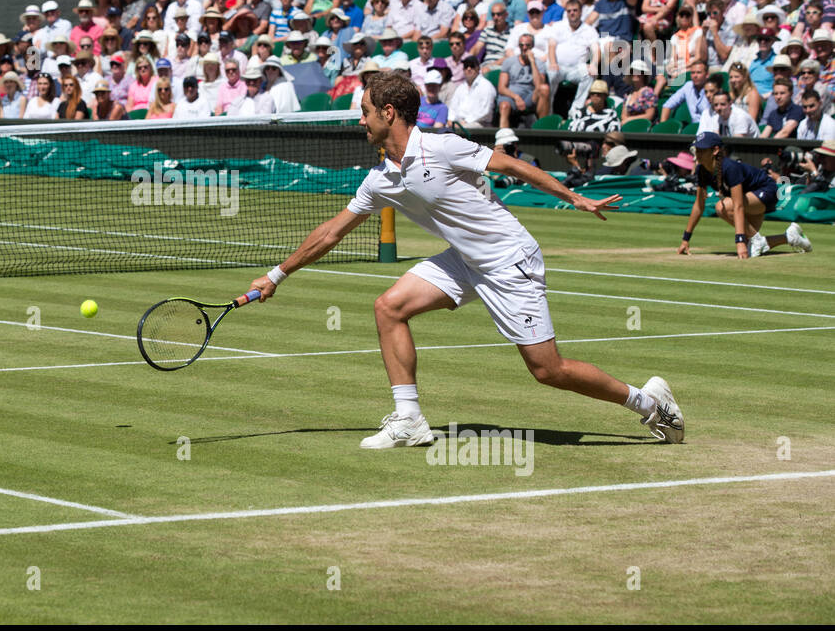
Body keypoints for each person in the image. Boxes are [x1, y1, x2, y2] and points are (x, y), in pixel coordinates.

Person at [247, 70, 684, 449]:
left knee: (548, 370)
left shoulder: (443, 147)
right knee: (389, 307)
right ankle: (409, 421)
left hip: (509, 260)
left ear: (389, 113)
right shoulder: (379, 179)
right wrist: (276, 275)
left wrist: (574, 197)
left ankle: (650, 403)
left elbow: (511, 167)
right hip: (466, 261)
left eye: (365, 111)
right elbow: (330, 233)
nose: (360, 120)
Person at [679, 131, 810, 259]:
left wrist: (739, 240)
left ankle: (757, 240)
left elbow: (738, 206)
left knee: (722, 207)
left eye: (702, 150)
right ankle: (789, 237)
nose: (698, 153)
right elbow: (698, 205)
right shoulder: (701, 170)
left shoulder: (730, 168)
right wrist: (686, 239)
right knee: (752, 246)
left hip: (767, 192)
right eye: (697, 149)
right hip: (749, 197)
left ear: (715, 150)